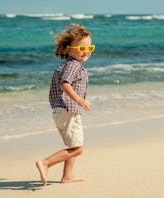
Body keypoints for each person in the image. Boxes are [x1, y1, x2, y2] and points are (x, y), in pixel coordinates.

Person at [36, 23, 95, 186]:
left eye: (90, 47)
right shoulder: (73, 65)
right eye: (82, 48)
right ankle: (46, 163)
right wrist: (79, 100)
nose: (87, 51)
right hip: (67, 109)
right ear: (69, 49)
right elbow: (65, 84)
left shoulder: (66, 65)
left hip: (60, 110)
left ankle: (67, 176)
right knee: (77, 149)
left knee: (73, 145)